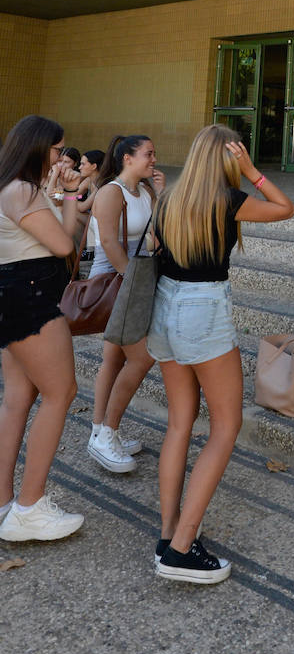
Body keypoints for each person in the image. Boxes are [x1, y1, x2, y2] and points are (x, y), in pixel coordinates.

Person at [148, 124, 294, 583]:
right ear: (228, 160)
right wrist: (253, 171)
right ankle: (182, 547)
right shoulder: (227, 200)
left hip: (165, 306)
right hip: (204, 309)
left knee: (179, 422)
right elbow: (286, 209)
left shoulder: (170, 198)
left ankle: (169, 531)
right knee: (225, 426)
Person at [0, 116, 85, 543]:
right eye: (57, 149)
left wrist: (68, 192)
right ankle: (30, 508)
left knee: (17, 400)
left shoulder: (14, 188)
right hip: (29, 298)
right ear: (37, 147)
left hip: (14, 296)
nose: (62, 157)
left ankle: (4, 505)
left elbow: (65, 236)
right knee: (60, 393)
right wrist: (59, 191)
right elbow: (66, 247)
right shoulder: (22, 189)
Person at [86, 135, 165, 474]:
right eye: (148, 154)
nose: (153, 159)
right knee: (141, 355)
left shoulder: (145, 192)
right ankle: (105, 433)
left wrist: (160, 195)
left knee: (115, 357)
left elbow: (156, 234)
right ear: (127, 158)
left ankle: (100, 431)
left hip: (136, 278)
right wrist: (131, 280)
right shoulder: (110, 192)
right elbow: (106, 241)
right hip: (116, 278)